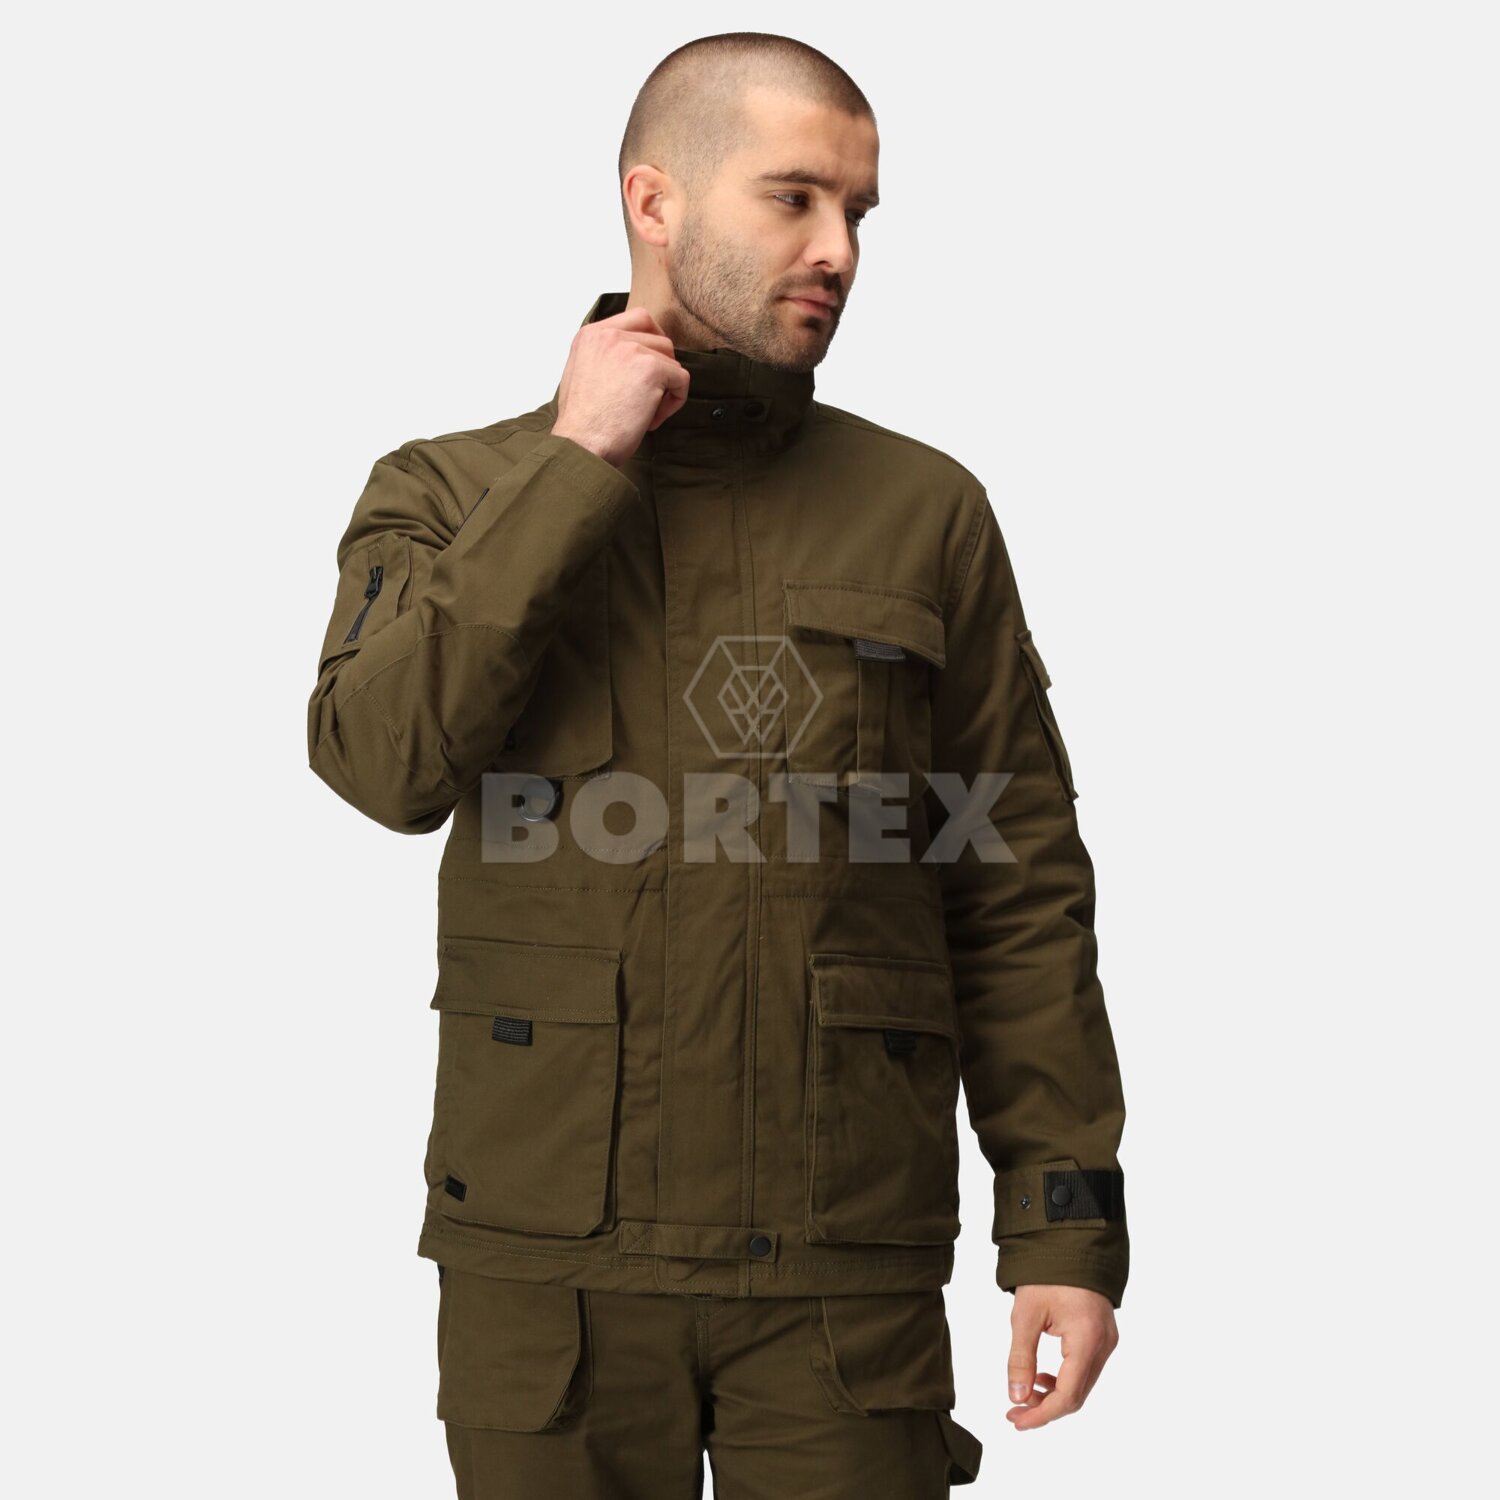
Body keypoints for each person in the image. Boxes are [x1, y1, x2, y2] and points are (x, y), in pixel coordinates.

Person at [306, 29, 1128, 1499]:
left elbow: (1013, 885)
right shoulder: (450, 490)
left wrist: (1063, 1225)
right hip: (551, 1271)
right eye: (794, 198)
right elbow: (382, 764)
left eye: (857, 212)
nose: (839, 250)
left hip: (839, 1269)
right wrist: (574, 465)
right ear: (655, 201)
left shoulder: (924, 510)